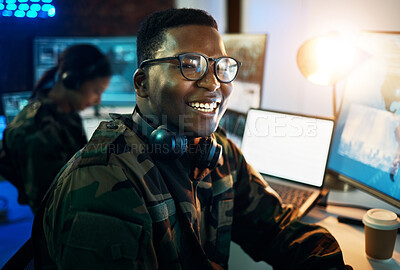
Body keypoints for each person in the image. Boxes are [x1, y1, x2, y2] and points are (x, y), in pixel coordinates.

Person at [34, 8, 351, 269]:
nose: (213, 83)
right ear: (143, 83)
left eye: (221, 67)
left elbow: (277, 229)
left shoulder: (218, 152)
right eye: (190, 65)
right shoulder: (103, 182)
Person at [0, 44, 112, 214]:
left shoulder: (66, 113)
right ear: (74, 80)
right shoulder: (37, 129)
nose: (98, 100)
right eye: (97, 90)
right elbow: (49, 208)